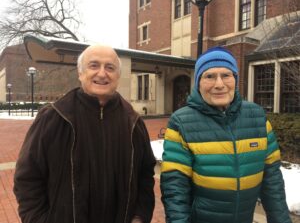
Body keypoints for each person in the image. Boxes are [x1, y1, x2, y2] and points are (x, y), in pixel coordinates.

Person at [14, 44, 156, 223]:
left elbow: (145, 176)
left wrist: (139, 217)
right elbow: (28, 178)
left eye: (110, 67)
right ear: (80, 73)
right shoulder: (54, 118)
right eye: (94, 65)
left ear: (118, 76)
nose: (102, 74)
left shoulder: (133, 122)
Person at [160, 47, 291, 223]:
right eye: (210, 76)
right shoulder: (181, 122)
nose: (219, 84)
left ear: (235, 80)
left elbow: (272, 180)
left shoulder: (257, 117)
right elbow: (175, 188)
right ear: (198, 82)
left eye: (226, 75)